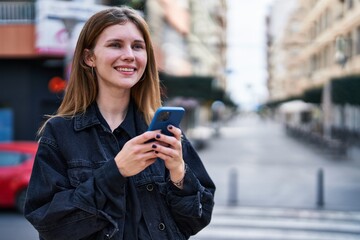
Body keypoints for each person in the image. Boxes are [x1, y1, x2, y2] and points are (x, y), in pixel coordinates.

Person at [24, 6, 215, 240]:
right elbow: (49, 225)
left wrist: (178, 173)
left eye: (137, 46)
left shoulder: (165, 131)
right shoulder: (61, 132)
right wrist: (115, 172)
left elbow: (197, 219)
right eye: (115, 45)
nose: (129, 55)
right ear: (89, 57)